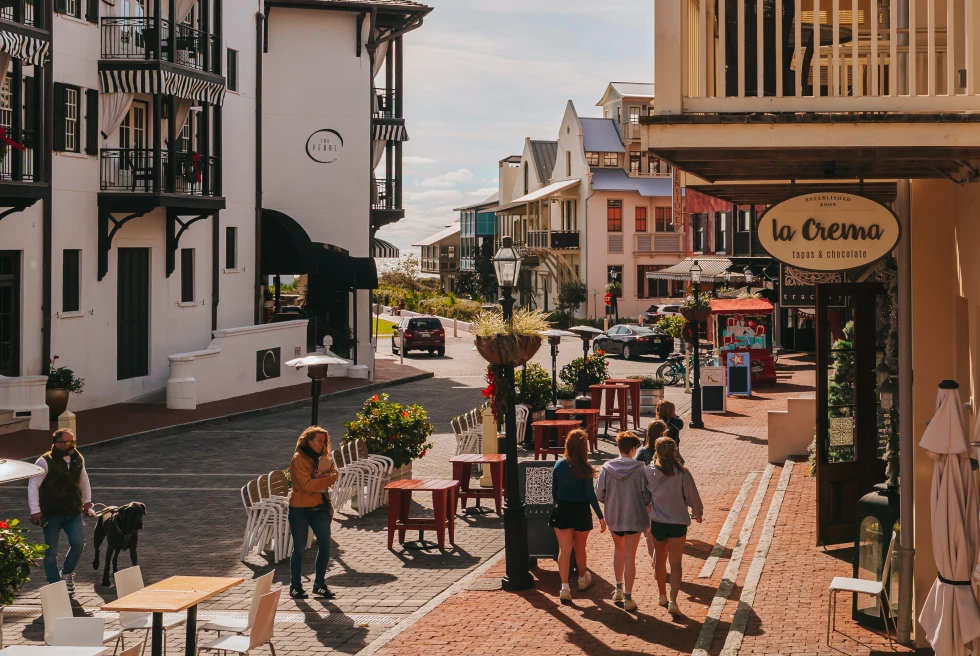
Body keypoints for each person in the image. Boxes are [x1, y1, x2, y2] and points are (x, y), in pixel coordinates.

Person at [644, 436, 703, 618]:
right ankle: (673, 600)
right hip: (677, 522)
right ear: (674, 451)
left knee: (660, 561)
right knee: (676, 563)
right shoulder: (682, 472)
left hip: (658, 522)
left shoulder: (648, 471)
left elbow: (645, 497)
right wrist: (697, 511)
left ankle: (661, 594)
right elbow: (691, 495)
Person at [28, 429, 93, 591]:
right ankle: (54, 584)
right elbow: (33, 486)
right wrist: (35, 510)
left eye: (73, 441)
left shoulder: (78, 458)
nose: (73, 445)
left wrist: (87, 502)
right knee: (51, 551)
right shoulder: (44, 462)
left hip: (73, 511)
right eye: (68, 442)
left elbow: (84, 480)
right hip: (51, 513)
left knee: (78, 544)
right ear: (58, 444)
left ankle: (67, 572)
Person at [549, 429, 605, 604]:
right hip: (581, 511)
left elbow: (554, 493)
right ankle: (582, 578)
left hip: (563, 510)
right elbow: (590, 495)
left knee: (564, 550)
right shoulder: (585, 468)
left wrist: (558, 504)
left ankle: (564, 587)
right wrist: (600, 516)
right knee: (580, 548)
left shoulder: (559, 465)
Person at [596, 431, 650, 612]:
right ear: (633, 449)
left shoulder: (606, 468)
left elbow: (599, 494)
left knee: (618, 550)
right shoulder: (641, 469)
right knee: (630, 556)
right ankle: (628, 596)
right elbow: (646, 495)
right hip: (634, 517)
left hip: (614, 516)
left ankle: (618, 588)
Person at [288, 426, 339, 600]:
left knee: (325, 545)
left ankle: (319, 584)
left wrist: (326, 477)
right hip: (300, 508)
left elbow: (334, 472)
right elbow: (307, 486)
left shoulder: (323, 457)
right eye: (319, 441)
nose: (322, 444)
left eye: (324, 441)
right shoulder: (298, 459)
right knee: (300, 548)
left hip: (319, 507)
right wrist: (325, 479)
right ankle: (295, 586)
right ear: (308, 441)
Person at [656, 399, 685, 463]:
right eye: (673, 410)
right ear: (668, 412)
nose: (675, 412)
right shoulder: (674, 423)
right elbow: (680, 424)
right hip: (672, 447)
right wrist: (675, 416)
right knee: (680, 462)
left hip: (659, 448)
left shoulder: (656, 423)